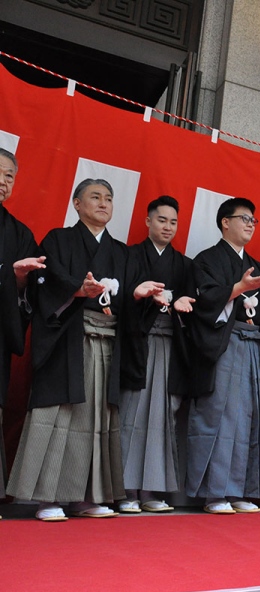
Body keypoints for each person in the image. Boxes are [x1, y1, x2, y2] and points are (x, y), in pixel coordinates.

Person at [9, 179, 156, 521]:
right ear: (76, 203)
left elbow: (130, 296)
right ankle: (48, 498)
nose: (103, 203)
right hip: (68, 339)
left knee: (96, 420)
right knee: (58, 415)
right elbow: (43, 281)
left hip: (107, 342)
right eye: (95, 197)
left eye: (108, 198)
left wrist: (138, 295)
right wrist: (77, 291)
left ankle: (85, 497)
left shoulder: (121, 252)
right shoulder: (59, 239)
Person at [186, 197, 260, 514]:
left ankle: (241, 490)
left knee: (249, 418)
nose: (250, 224)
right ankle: (215, 493)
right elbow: (203, 303)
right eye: (244, 218)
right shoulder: (206, 261)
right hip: (225, 345)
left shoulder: (257, 266)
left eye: (253, 220)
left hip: (253, 347)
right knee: (219, 417)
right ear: (225, 222)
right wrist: (236, 288)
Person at [118, 196, 195, 513]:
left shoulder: (184, 264)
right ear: (148, 221)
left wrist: (183, 304)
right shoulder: (130, 256)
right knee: (131, 414)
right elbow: (121, 295)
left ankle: (152, 490)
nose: (167, 227)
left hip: (170, 344)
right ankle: (123, 490)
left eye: (173, 222)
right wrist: (144, 297)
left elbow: (195, 302)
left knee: (163, 415)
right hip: (138, 343)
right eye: (162, 220)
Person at [0, 149, 43, 511]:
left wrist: (16, 279)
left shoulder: (19, 233)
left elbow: (27, 294)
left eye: (10, 176)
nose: (3, 182)